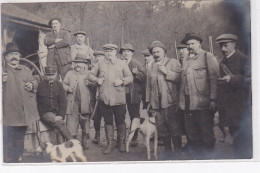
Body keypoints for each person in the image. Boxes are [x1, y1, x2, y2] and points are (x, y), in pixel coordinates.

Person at [179, 33, 219, 159]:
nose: (190, 46)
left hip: (203, 103)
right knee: (192, 134)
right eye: (188, 44)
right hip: (188, 104)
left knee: (206, 135)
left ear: (199, 44)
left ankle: (209, 161)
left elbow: (214, 79)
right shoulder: (185, 59)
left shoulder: (208, 56)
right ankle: (197, 159)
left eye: (192, 43)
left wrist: (213, 99)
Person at [88, 44, 133, 154]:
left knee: (120, 120)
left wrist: (122, 81)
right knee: (108, 121)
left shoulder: (121, 63)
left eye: (111, 51)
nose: (109, 53)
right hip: (105, 98)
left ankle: (121, 142)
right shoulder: (100, 63)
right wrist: (97, 79)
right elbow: (90, 75)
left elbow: (130, 77)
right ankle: (110, 143)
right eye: (107, 51)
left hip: (119, 98)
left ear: (115, 52)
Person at [3, 42, 40, 163]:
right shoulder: (3, 72)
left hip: (24, 111)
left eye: (16, 54)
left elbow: (36, 80)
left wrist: (32, 84)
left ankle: (19, 158)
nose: (14, 57)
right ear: (6, 57)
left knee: (20, 136)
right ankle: (8, 160)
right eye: (11, 54)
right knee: (8, 136)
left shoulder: (25, 70)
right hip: (8, 112)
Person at [216, 33, 252, 159]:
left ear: (234, 44)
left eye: (225, 46)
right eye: (221, 46)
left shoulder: (244, 59)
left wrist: (231, 78)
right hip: (229, 106)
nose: (223, 49)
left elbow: (250, 78)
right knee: (234, 134)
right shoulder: (223, 62)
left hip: (242, 104)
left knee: (244, 137)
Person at [146, 41, 183, 159]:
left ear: (164, 52)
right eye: (154, 52)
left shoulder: (173, 62)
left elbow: (180, 79)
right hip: (156, 104)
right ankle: (168, 151)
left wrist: (166, 72)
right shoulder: (151, 66)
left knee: (174, 128)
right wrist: (148, 102)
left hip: (170, 102)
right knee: (162, 128)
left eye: (158, 52)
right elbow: (148, 86)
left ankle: (177, 151)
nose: (156, 54)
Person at [37, 66, 73, 143]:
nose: (50, 77)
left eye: (52, 75)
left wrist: (60, 115)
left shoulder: (59, 85)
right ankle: (72, 142)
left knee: (58, 128)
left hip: (57, 113)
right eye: (48, 75)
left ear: (56, 75)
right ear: (45, 75)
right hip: (45, 113)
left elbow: (63, 101)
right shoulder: (40, 86)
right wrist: (46, 115)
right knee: (59, 123)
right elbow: (38, 103)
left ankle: (61, 149)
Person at [119, 44, 146, 147]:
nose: (126, 53)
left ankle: (133, 138)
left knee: (134, 116)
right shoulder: (119, 63)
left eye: (128, 51)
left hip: (133, 94)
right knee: (120, 116)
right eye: (124, 51)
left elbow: (144, 78)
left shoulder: (136, 64)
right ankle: (121, 139)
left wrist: (137, 73)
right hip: (120, 93)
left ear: (132, 53)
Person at [91, 51, 105, 145]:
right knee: (96, 116)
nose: (98, 58)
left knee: (108, 116)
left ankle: (111, 137)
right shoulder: (92, 68)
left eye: (100, 56)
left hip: (105, 94)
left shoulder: (106, 67)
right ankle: (97, 134)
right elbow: (89, 80)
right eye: (96, 56)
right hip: (94, 96)